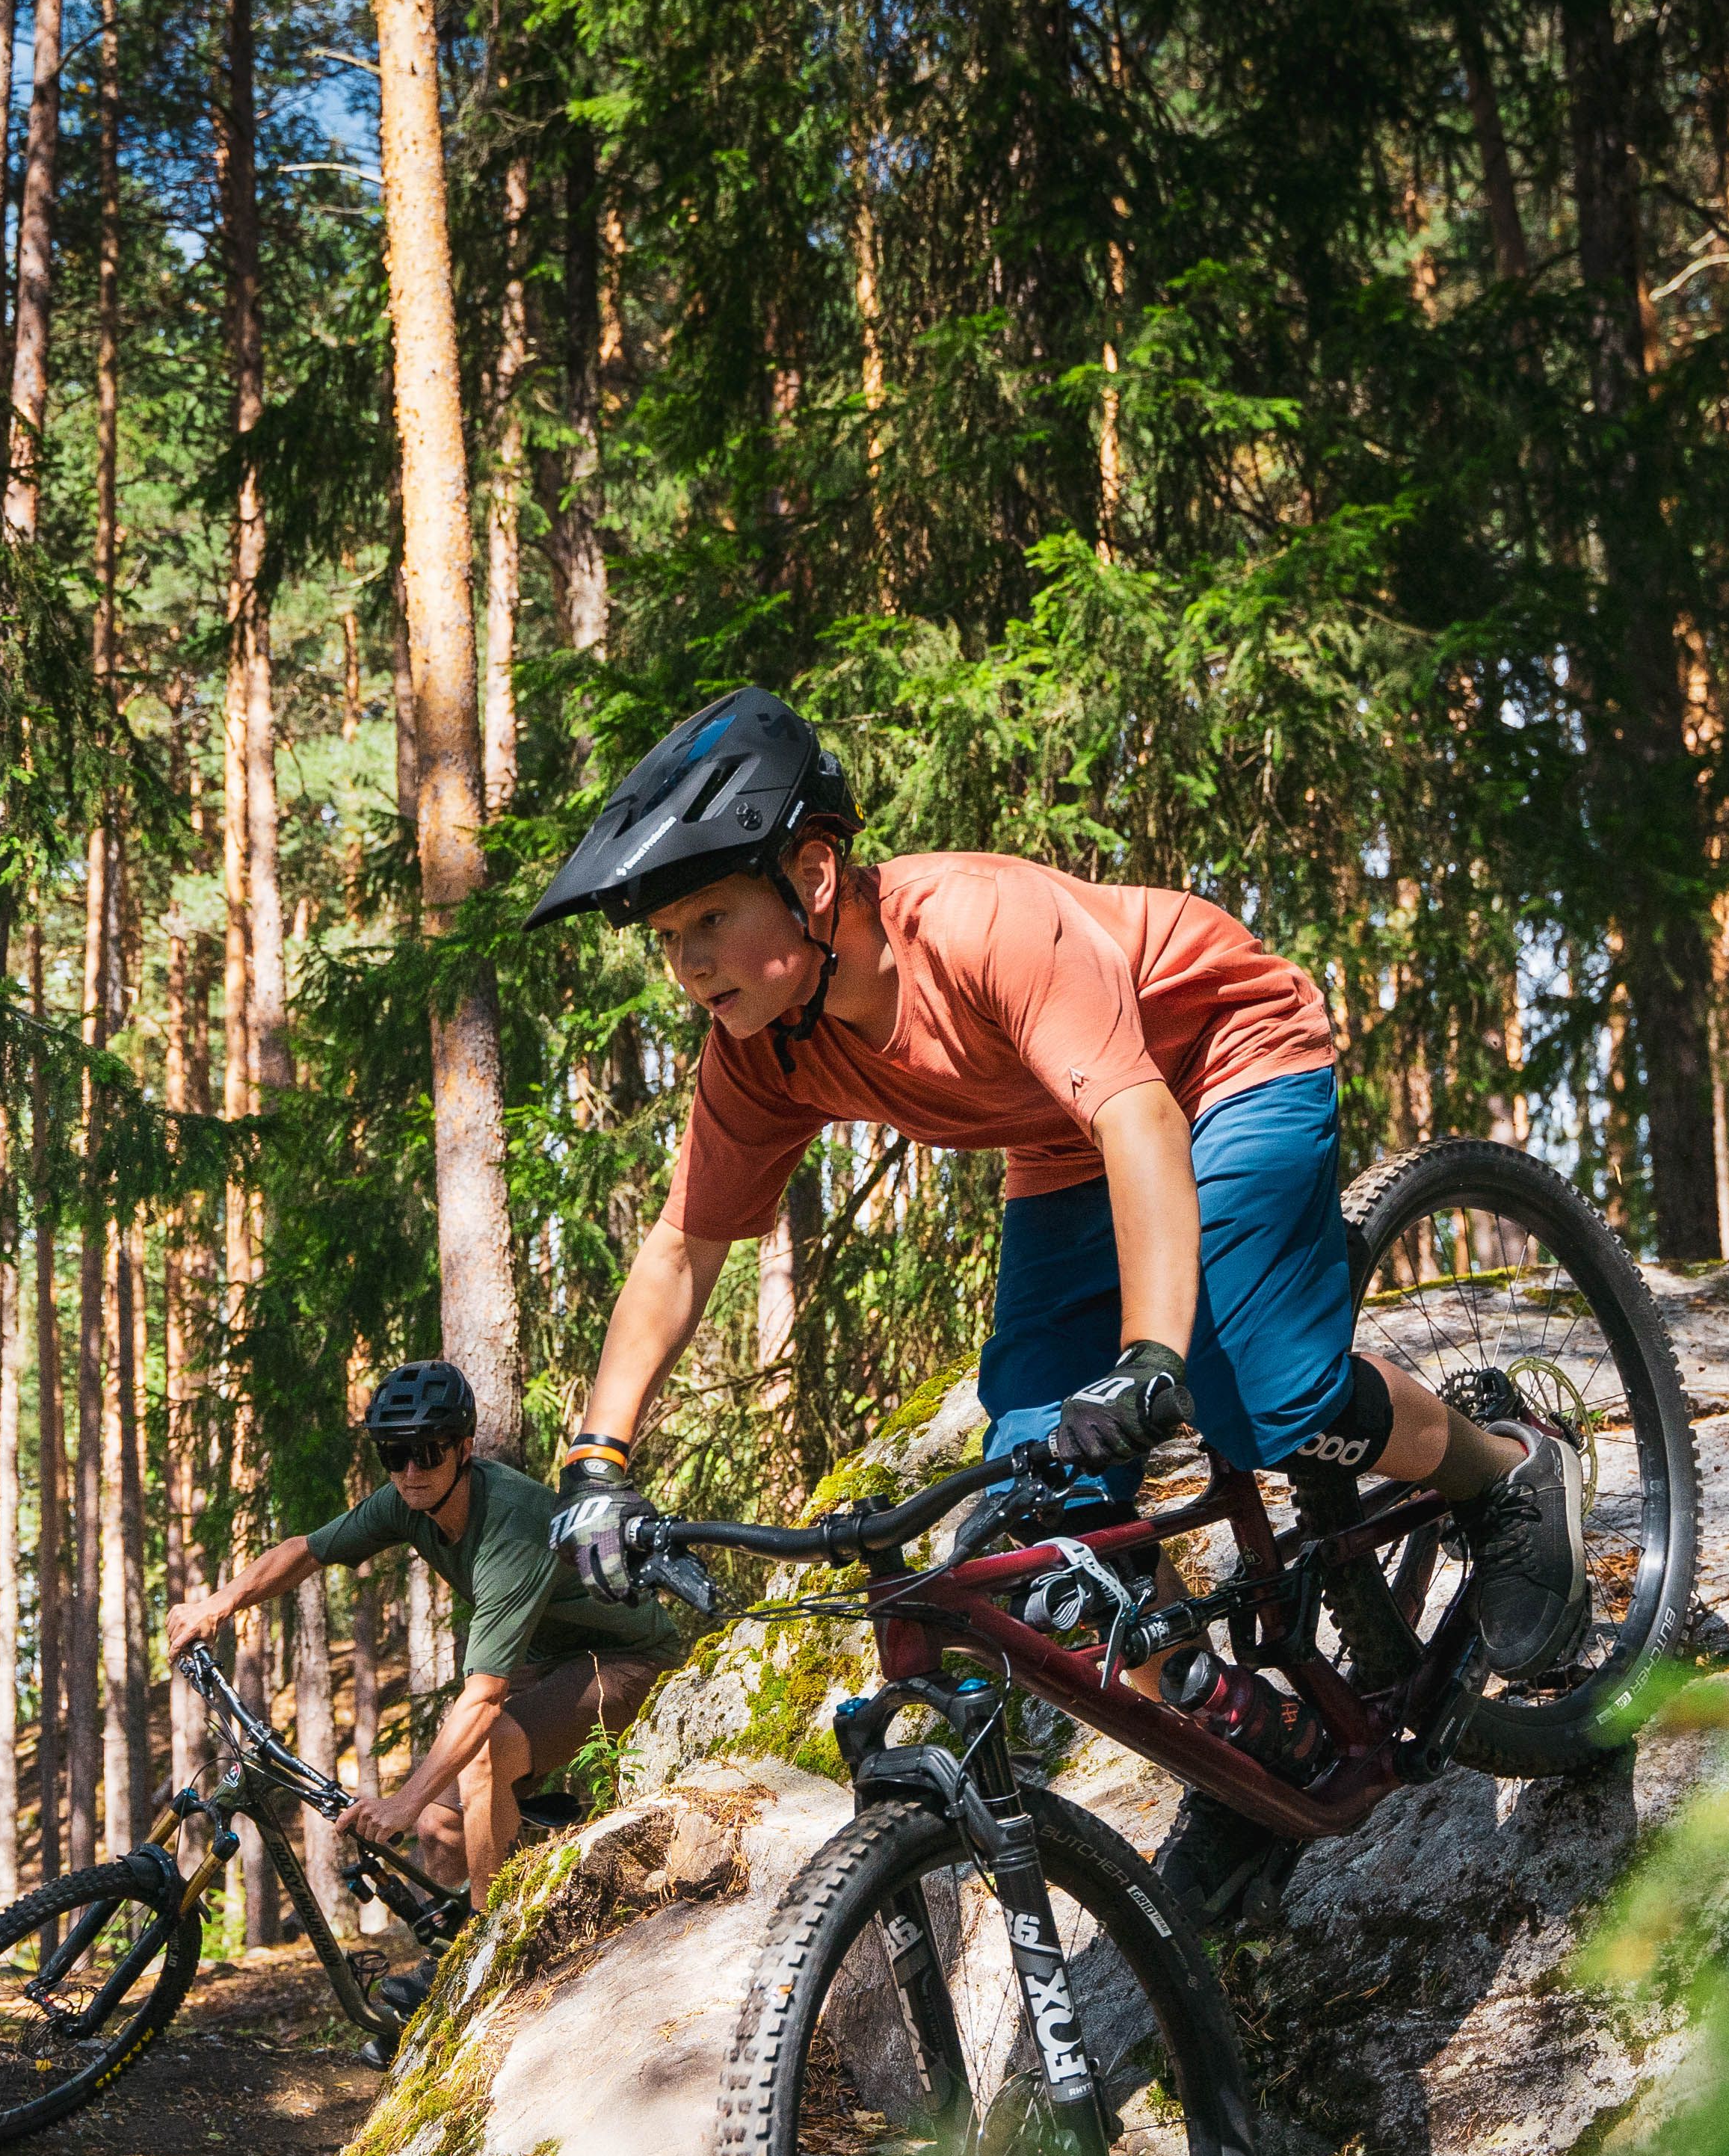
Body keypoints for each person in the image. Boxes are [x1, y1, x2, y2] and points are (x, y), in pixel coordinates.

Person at [522, 688, 1590, 1735]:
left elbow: (1141, 1121)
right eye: (667, 936)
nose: (688, 963)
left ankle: (1507, 1472)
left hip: (1223, 1059)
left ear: (812, 872)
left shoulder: (980, 927)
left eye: (710, 917)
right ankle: (1243, 1735)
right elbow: (682, 1247)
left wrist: (1150, 1354)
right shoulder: (763, 1052)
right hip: (1065, 1140)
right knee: (1050, 1502)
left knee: (1258, 1393)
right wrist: (594, 1464)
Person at [159, 1360, 683, 1905]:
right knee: (439, 1825)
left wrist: (402, 1802)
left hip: (630, 1658)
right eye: (394, 1454)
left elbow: (484, 1699)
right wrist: (219, 1602)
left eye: (428, 1451)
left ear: (464, 1448)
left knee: (480, 1752)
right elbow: (306, 1551)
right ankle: (458, 1944)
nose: (411, 1470)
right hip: (549, 1655)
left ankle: (491, 1960)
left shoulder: (509, 1525)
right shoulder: (406, 1502)